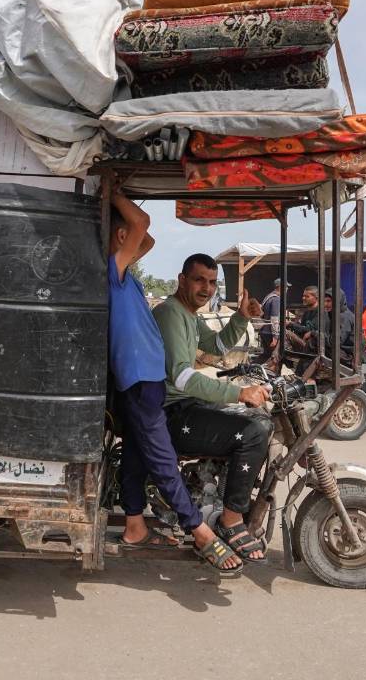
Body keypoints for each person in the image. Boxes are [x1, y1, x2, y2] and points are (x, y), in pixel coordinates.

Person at [106, 194, 241, 575]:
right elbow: (142, 225)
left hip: (143, 378)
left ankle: (134, 526)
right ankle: (199, 530)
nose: (207, 287)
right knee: (164, 461)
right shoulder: (112, 271)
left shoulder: (125, 274)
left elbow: (144, 238)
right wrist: (112, 189)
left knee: (135, 457)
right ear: (118, 236)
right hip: (140, 377)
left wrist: (125, 232)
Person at [153, 253, 273, 564]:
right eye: (199, 280)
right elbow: (181, 375)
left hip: (185, 405)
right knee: (254, 432)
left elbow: (217, 347)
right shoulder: (170, 314)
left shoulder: (189, 315)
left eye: (211, 282)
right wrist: (238, 392)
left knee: (257, 419)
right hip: (172, 413)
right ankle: (231, 520)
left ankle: (217, 497)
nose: (206, 288)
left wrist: (242, 317)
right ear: (182, 280)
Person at [256, 278, 290, 363]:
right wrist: (275, 337)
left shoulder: (268, 297)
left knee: (266, 356)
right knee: (274, 358)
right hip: (270, 333)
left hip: (264, 331)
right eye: (286, 287)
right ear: (280, 287)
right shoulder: (276, 299)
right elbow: (274, 318)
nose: (287, 289)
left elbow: (262, 314)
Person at [286, 285, 320, 351]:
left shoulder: (320, 312)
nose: (303, 298)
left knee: (286, 333)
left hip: (313, 346)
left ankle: (275, 359)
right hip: (304, 342)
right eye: (303, 296)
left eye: (307, 296)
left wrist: (291, 324)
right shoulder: (307, 312)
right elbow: (301, 328)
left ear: (316, 298)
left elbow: (309, 329)